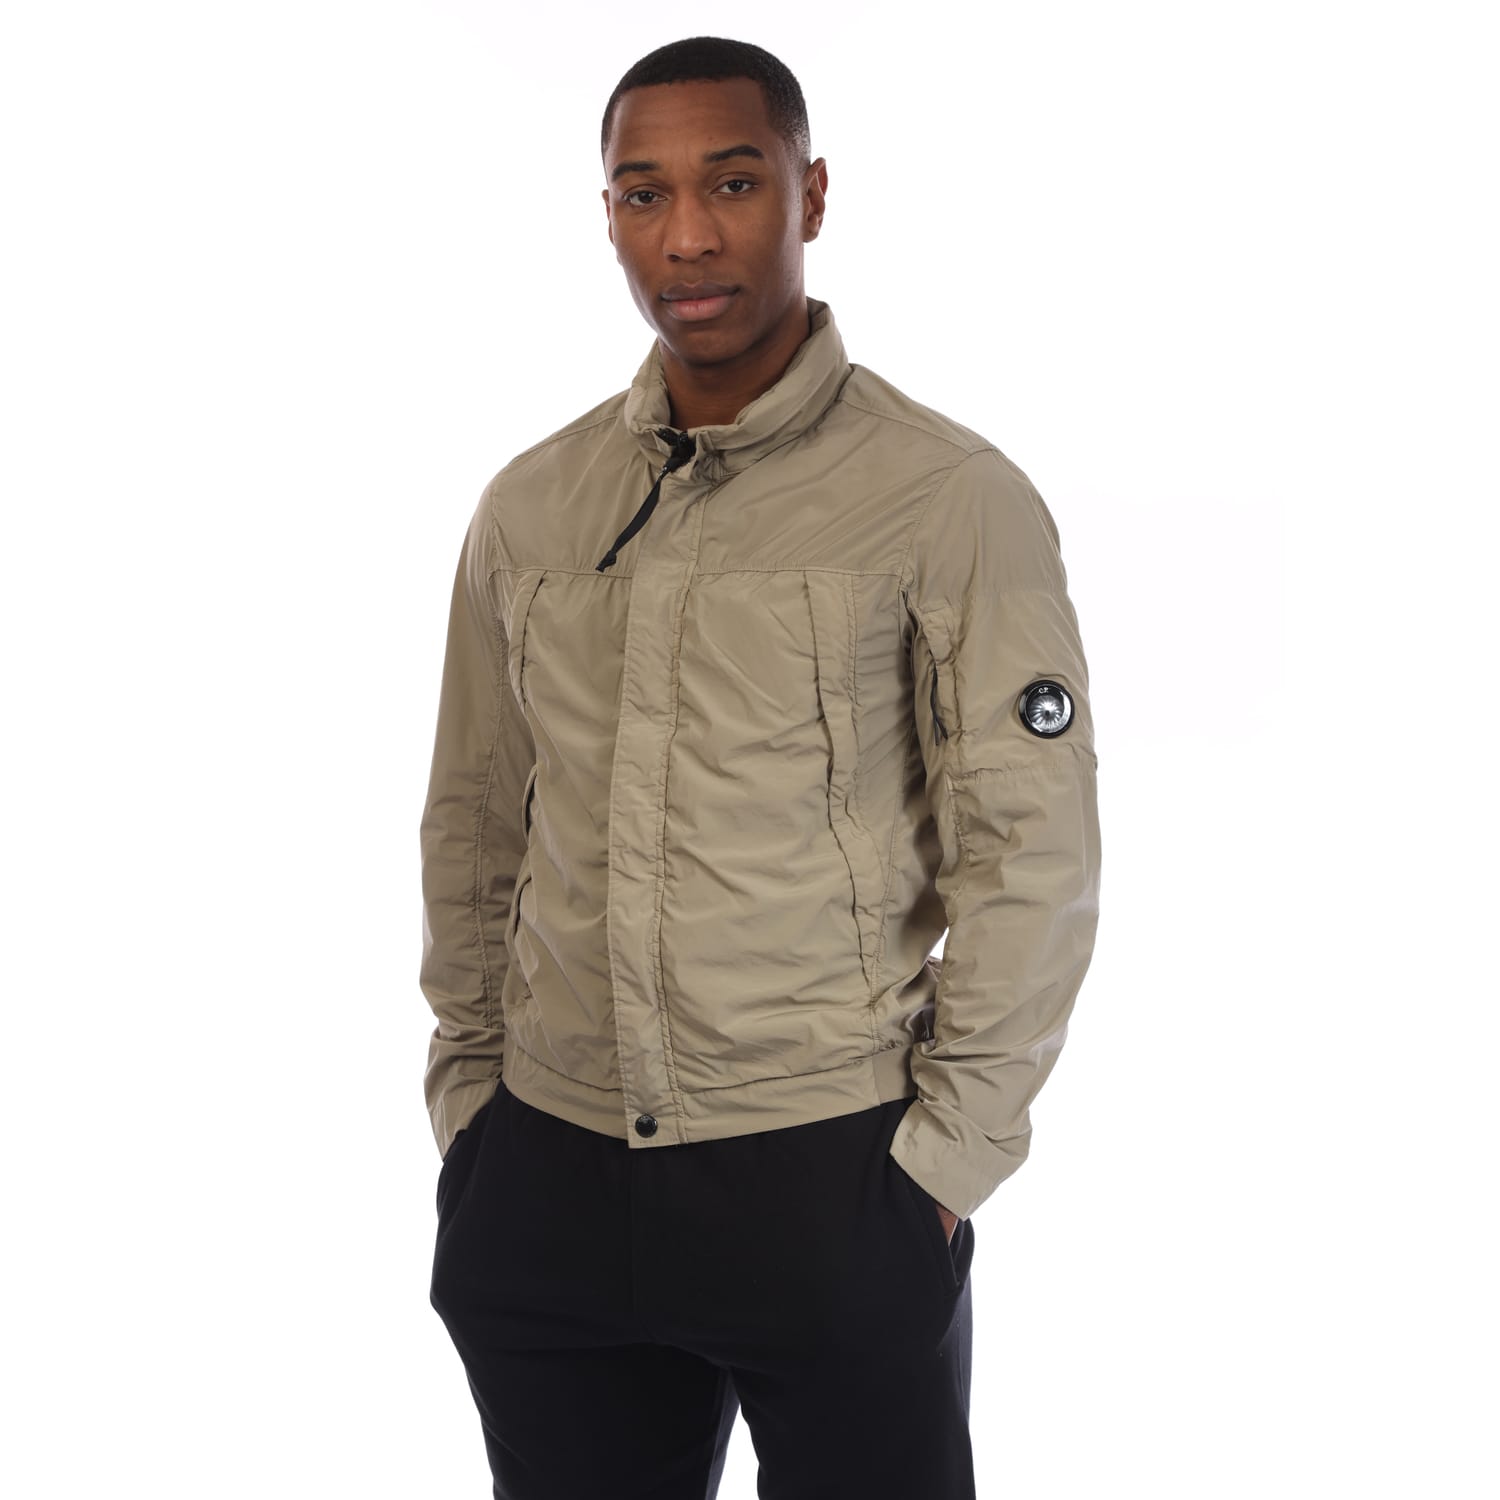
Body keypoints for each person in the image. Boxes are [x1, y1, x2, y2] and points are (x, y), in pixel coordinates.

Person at [418, 34, 1102, 1500]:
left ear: (812, 194)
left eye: (733, 183)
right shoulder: (532, 506)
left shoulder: (949, 501)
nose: (688, 235)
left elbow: (1031, 855)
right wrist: (474, 1110)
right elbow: (473, 821)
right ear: (609, 215)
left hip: (829, 1173)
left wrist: (946, 1167)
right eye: (643, 192)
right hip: (548, 1169)